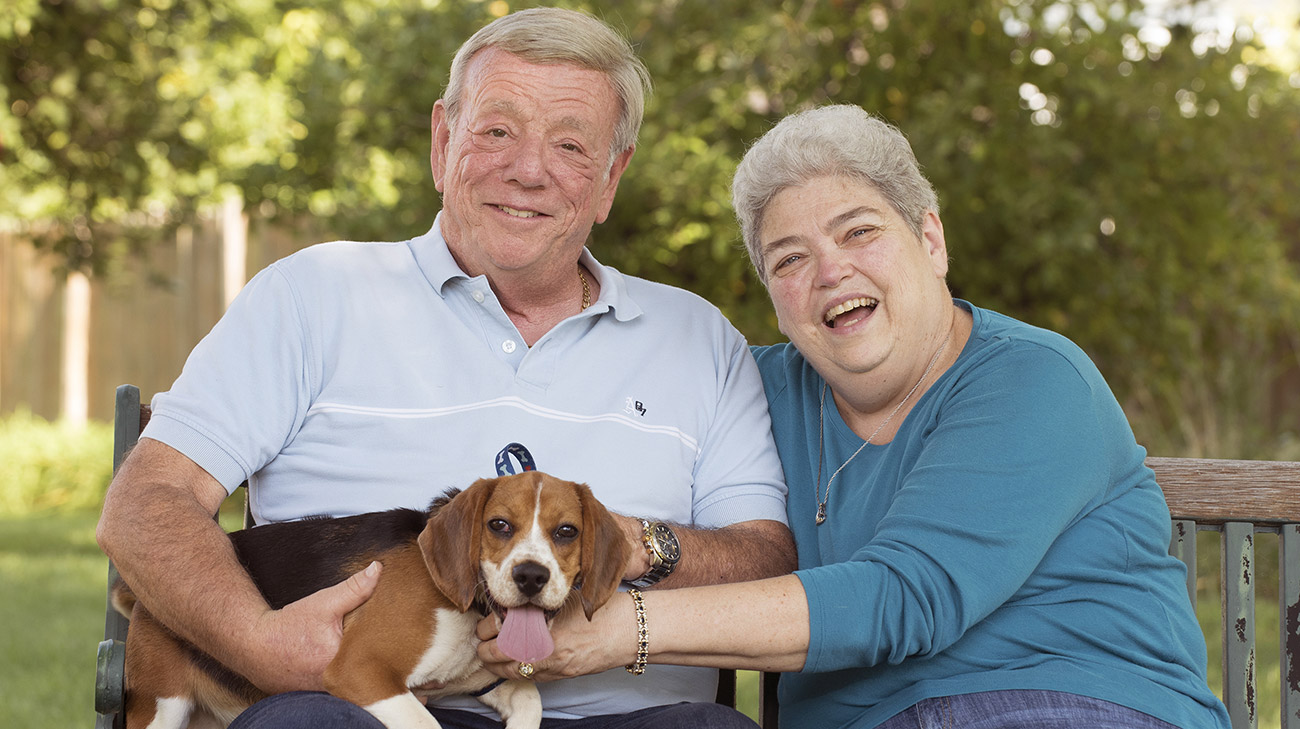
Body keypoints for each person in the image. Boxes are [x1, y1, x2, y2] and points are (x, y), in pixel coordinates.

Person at [96, 8, 795, 729]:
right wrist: (259, 642)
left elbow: (766, 558)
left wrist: (634, 549)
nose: (528, 170)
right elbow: (145, 505)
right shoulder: (312, 295)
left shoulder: (699, 337)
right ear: (442, 142)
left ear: (610, 177)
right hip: (359, 705)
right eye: (497, 131)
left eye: (569, 144)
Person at [477, 104, 1233, 729]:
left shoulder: (1034, 378)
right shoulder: (749, 388)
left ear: (930, 240)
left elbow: (904, 596)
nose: (830, 269)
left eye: (859, 230)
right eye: (789, 258)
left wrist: (624, 632)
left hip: (1073, 705)